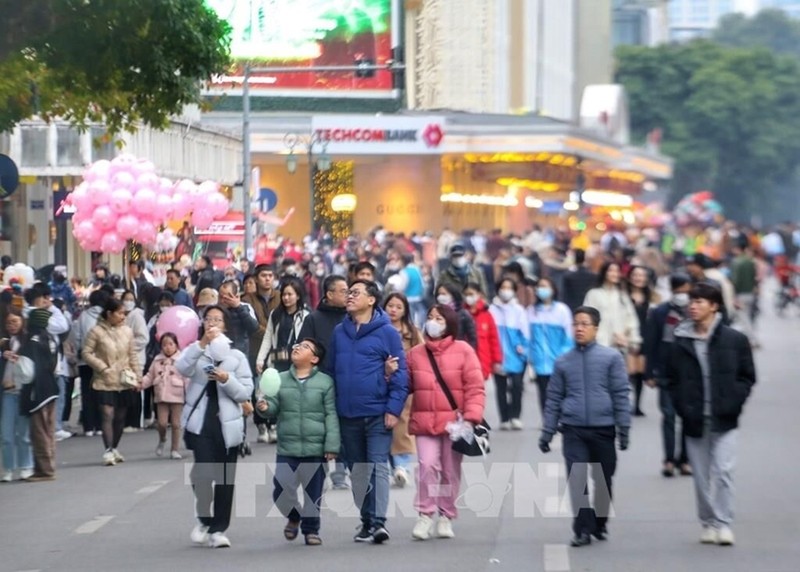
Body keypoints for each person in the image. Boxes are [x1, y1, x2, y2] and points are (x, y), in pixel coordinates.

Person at [666, 282, 756, 546]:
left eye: (700, 302)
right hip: (694, 418)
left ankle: (724, 523)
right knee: (701, 477)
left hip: (725, 418)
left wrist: (734, 401)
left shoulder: (735, 340)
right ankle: (708, 522)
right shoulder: (680, 340)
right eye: (691, 302)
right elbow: (671, 379)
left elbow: (747, 376)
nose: (693, 307)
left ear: (714, 306)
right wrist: (682, 405)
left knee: (725, 471)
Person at [539, 306, 631, 547]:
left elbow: (621, 393)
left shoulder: (611, 358)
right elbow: (554, 399)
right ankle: (581, 529)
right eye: (576, 324)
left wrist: (624, 428)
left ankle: (599, 521)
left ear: (596, 329)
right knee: (577, 478)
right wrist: (547, 432)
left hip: (604, 428)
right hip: (573, 429)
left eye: (584, 324)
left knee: (603, 480)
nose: (579, 328)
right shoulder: (563, 362)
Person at [329, 279, 408, 544]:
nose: (349, 297)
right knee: (358, 470)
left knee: (378, 467)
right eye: (348, 293)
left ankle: (378, 522)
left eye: (355, 293)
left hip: (378, 413)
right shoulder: (340, 331)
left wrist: (394, 408)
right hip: (347, 414)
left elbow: (401, 373)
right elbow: (330, 372)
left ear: (371, 300)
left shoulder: (387, 332)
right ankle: (366, 521)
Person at [406, 305, 485, 540]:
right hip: (425, 421)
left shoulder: (464, 351)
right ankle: (425, 514)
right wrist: (391, 372)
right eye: (430, 317)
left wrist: (471, 417)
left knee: (450, 471)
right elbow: (406, 385)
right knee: (427, 466)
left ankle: (446, 514)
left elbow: (475, 387)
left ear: (449, 323)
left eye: (439, 318)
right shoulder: (416, 353)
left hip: (455, 424)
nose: (433, 322)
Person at [177, 305, 253, 549]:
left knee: (224, 478)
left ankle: (219, 529)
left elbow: (245, 392)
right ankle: (203, 518)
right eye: (208, 319)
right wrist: (200, 345)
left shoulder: (237, 357)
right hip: (201, 423)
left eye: (218, 320)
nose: (212, 324)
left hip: (228, 425)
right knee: (203, 473)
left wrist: (225, 379)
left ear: (225, 326)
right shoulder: (197, 350)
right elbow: (181, 368)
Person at [255, 338, 339, 547]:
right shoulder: (280, 379)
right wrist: (264, 407)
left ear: (314, 358)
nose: (297, 348)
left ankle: (311, 530)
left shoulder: (325, 383)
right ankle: (294, 516)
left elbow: (331, 415)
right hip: (288, 447)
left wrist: (332, 445)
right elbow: (272, 405)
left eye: (304, 347)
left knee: (313, 493)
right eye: (297, 346)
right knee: (281, 489)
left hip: (316, 447)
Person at [297, 274, 350, 488]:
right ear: (329, 294)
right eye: (344, 291)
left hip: (347, 384)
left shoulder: (353, 318)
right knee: (319, 431)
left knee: (344, 430)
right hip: (319, 384)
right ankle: (319, 472)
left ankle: (340, 474)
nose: (348, 295)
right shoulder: (313, 319)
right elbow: (303, 350)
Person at [644, 273, 693, 477]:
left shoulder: (695, 312)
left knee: (688, 418)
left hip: (690, 374)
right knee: (669, 417)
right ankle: (669, 460)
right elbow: (651, 343)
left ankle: (685, 460)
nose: (682, 294)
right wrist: (649, 372)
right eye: (678, 290)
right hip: (665, 373)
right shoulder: (659, 313)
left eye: (685, 290)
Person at [81, 298, 140, 466]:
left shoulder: (127, 331)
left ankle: (114, 447)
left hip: (123, 379)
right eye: (120, 313)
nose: (123, 316)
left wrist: (138, 377)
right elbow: (86, 353)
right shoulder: (96, 331)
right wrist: (102, 367)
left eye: (124, 313)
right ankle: (107, 450)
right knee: (107, 414)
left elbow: (133, 355)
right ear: (109, 314)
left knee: (120, 417)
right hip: (103, 380)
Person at [383, 292, 424, 488]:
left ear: (405, 310)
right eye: (390, 305)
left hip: (405, 386)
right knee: (385, 426)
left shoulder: (413, 333)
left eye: (399, 307)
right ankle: (394, 467)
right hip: (381, 383)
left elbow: (423, 357)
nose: (394, 310)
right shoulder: (378, 330)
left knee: (403, 428)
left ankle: (402, 467)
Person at [16, 308, 60, 481]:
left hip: (37, 392)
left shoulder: (30, 342)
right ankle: (50, 465)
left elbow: (27, 373)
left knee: (39, 432)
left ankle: (44, 470)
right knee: (49, 431)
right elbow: (56, 366)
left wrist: (17, 366)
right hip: (52, 389)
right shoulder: (51, 338)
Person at [526, 277, 573, 417]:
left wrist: (564, 355)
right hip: (540, 361)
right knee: (543, 391)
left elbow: (568, 336)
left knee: (559, 391)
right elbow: (528, 336)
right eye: (540, 286)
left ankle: (561, 417)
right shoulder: (531, 311)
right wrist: (531, 356)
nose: (542, 289)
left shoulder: (562, 310)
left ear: (553, 289)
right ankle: (547, 419)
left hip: (559, 359)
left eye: (546, 286)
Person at [140, 332, 189, 459]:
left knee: (176, 424)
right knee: (161, 423)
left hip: (177, 396)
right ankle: (162, 439)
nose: (168, 347)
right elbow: (150, 376)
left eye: (171, 344)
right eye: (164, 345)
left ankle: (174, 449)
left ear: (176, 345)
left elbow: (187, 379)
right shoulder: (157, 361)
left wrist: (190, 395)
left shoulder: (181, 360)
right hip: (161, 396)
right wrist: (141, 384)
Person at [489, 278, 529, 431]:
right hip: (498, 356)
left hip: (516, 356)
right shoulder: (491, 310)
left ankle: (515, 416)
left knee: (517, 386)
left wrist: (523, 349)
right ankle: (504, 418)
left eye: (509, 287)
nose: (506, 290)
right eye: (503, 287)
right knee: (501, 388)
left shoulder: (519, 310)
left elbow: (525, 333)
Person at [1, 309, 34, 481]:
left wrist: (19, 357)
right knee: (6, 435)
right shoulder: (4, 344)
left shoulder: (28, 342)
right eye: (8, 323)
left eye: (15, 321)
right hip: (7, 393)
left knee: (23, 434)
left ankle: (26, 466)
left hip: (23, 392)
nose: (12, 326)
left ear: (22, 321)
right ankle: (8, 468)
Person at [583, 262, 641, 355]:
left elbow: (631, 319)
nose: (614, 274)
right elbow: (587, 318)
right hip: (597, 345)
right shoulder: (593, 294)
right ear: (604, 272)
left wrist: (631, 339)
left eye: (617, 271)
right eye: (611, 271)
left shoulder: (622, 295)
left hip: (619, 346)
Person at [73, 288, 108, 436]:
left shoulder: (83, 316)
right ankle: (100, 425)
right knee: (100, 392)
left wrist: (80, 350)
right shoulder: (106, 316)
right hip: (102, 360)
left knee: (86, 393)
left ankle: (88, 426)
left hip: (85, 360)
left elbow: (77, 337)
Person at [626, 266, 658, 416]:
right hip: (628, 337)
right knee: (627, 371)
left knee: (640, 372)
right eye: (635, 275)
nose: (638, 278)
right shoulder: (623, 296)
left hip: (647, 336)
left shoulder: (653, 297)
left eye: (642, 275)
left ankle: (637, 404)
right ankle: (624, 402)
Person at [461, 282, 502, 382]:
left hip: (482, 362)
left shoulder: (486, 315)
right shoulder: (461, 314)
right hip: (464, 362)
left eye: (471, 294)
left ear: (478, 295)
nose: (468, 297)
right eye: (466, 294)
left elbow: (494, 339)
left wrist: (497, 360)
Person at [121, 289, 150, 430]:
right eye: (126, 299)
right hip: (124, 360)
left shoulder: (137, 317)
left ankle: (135, 422)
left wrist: (129, 347)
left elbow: (144, 338)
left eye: (131, 299)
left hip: (136, 359)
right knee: (127, 390)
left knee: (136, 390)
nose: (128, 302)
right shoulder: (121, 316)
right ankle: (128, 421)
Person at [729, 238, 759, 348]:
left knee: (743, 318)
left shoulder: (736, 262)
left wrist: (733, 295)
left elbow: (735, 280)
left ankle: (752, 339)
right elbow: (754, 278)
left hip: (740, 294)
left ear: (737, 249)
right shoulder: (750, 261)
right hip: (750, 293)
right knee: (745, 317)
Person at [218, 279, 259, 356]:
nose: (222, 301)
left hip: (240, 352)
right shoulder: (216, 310)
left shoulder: (245, 307)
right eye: (220, 297)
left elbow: (254, 327)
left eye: (227, 298)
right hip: (221, 352)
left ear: (235, 296)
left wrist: (238, 307)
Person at [433, 283, 477, 350]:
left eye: (444, 294)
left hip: (458, 351)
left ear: (452, 295)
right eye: (439, 294)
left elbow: (472, 337)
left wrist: (468, 352)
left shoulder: (463, 314)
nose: (440, 297)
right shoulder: (434, 313)